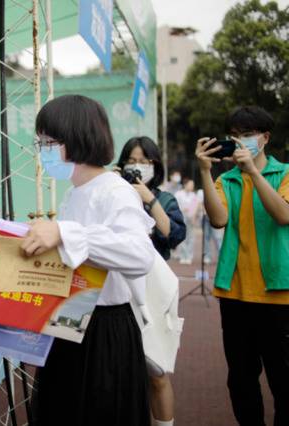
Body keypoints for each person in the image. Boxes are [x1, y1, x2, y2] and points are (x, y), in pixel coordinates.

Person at [23, 95, 155, 425]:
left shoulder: (114, 190)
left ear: (77, 137)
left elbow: (138, 254)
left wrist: (66, 234)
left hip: (105, 331)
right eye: (39, 142)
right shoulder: (73, 193)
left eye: (47, 142)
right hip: (72, 320)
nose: (41, 150)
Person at [196, 105, 289, 426]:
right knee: (241, 380)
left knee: (283, 381)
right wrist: (206, 172)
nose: (240, 142)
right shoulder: (226, 180)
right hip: (235, 294)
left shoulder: (286, 173)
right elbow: (218, 219)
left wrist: (254, 173)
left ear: (265, 138)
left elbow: (283, 214)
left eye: (247, 135)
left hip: (279, 294)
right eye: (234, 136)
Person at [117, 136, 187, 426]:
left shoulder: (166, 199)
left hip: (153, 291)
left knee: (156, 372)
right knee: (118, 371)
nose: (137, 167)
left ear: (155, 165)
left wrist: (149, 198)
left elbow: (171, 233)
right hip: (116, 289)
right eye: (131, 161)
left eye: (144, 161)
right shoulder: (114, 193)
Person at [174, 179, 201, 264]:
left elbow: (197, 207)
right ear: (185, 185)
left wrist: (194, 216)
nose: (192, 186)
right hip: (181, 217)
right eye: (190, 184)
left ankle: (189, 256)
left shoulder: (194, 195)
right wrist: (182, 209)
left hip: (191, 218)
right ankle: (183, 256)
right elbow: (174, 206)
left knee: (191, 237)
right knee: (182, 237)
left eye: (192, 185)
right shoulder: (178, 194)